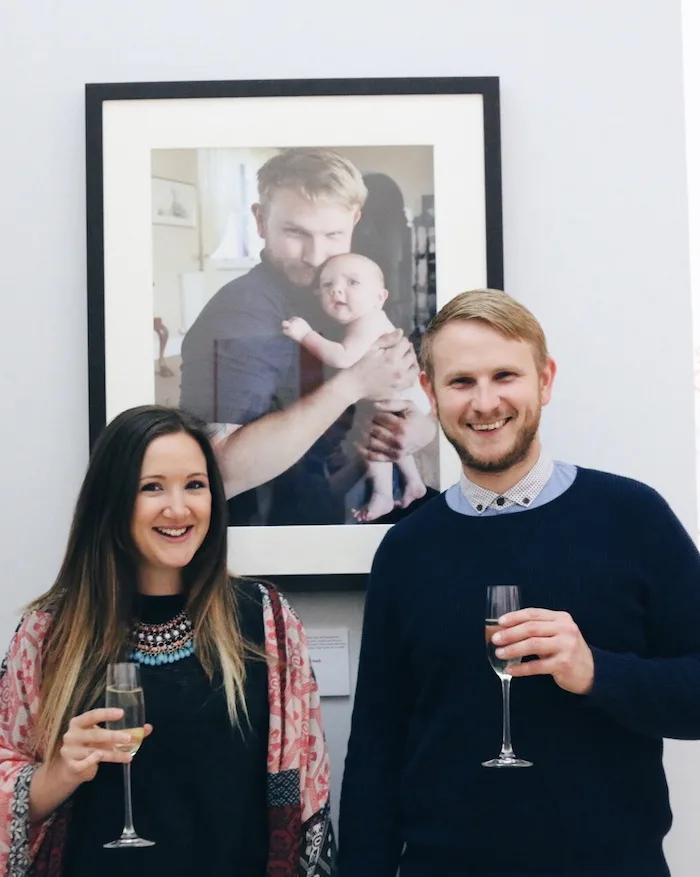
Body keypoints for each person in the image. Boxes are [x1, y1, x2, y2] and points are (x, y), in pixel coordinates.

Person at [338, 288, 700, 877]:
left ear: (545, 381)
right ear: (430, 393)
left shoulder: (633, 517)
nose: (485, 403)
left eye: (505, 375)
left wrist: (595, 672)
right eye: (460, 383)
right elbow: (377, 746)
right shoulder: (406, 550)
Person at [0, 405, 335, 877]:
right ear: (111, 500)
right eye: (151, 487)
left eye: (195, 485)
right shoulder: (48, 634)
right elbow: (10, 786)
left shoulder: (267, 619)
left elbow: (306, 798)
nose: (179, 508)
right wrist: (57, 774)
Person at [179, 147, 436, 526]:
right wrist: (353, 384)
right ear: (261, 220)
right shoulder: (240, 317)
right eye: (296, 232)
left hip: (360, 505)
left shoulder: (351, 287)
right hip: (279, 532)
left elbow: (410, 384)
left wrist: (418, 429)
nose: (317, 256)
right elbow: (218, 474)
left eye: (333, 234)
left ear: (355, 219)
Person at [282, 252, 428, 522]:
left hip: (396, 396)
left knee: (377, 443)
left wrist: (305, 334)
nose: (337, 289)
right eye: (327, 285)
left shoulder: (368, 321)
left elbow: (343, 357)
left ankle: (383, 494)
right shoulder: (366, 319)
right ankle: (413, 482)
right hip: (402, 395)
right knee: (396, 442)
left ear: (379, 297)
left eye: (352, 282)